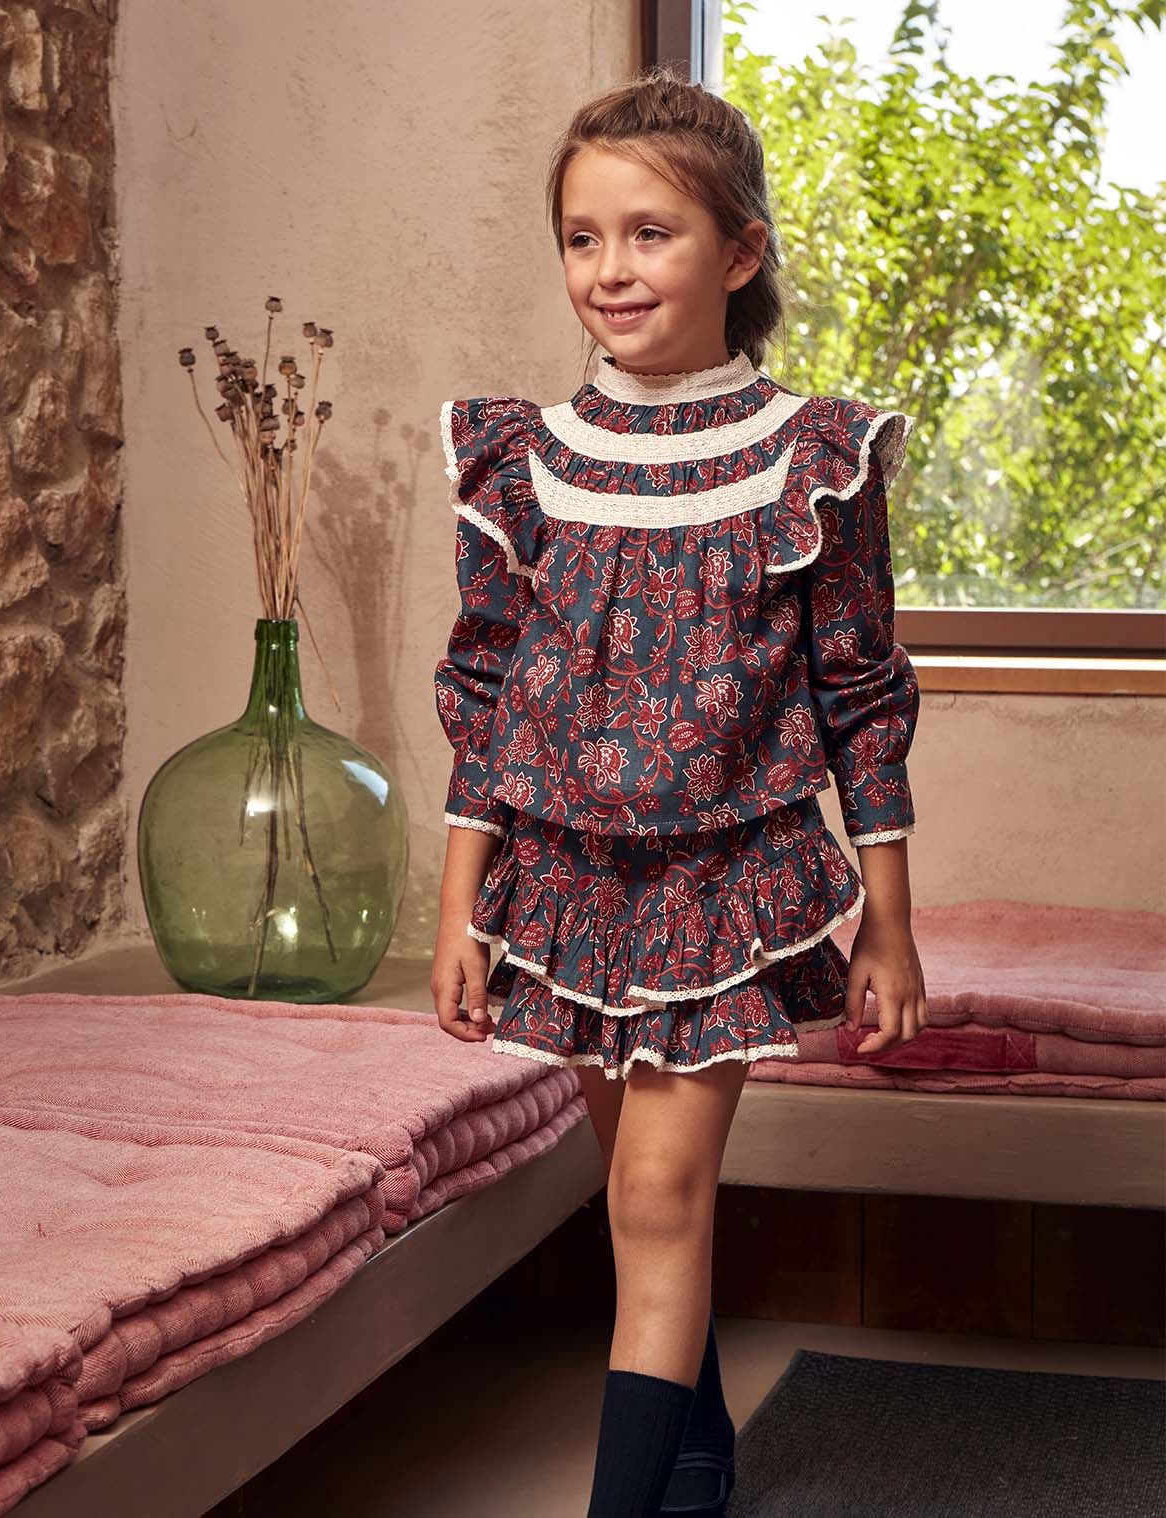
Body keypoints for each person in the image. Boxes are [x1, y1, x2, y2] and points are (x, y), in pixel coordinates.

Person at [430, 63, 928, 1518]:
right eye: (582, 238)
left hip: (728, 880)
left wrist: (889, 924)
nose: (611, 269)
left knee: (657, 1200)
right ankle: (697, 1470)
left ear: (741, 251)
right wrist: (459, 909)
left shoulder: (815, 458)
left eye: (650, 233)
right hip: (562, 882)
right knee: (644, 1208)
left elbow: (860, 694)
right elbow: (485, 697)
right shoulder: (523, 462)